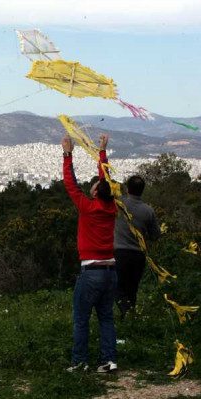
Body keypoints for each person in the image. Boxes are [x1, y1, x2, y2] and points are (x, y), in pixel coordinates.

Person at [62, 134, 118, 374]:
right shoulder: (111, 208)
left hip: (92, 271)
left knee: (81, 318)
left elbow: (70, 184)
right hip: (110, 271)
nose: (94, 184)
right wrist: (102, 151)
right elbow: (106, 179)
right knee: (106, 317)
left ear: (96, 193)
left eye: (95, 184)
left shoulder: (88, 207)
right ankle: (109, 360)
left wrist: (67, 154)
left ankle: (80, 361)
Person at [114, 175, 161, 320]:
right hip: (138, 255)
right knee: (132, 289)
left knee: (118, 288)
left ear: (127, 188)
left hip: (120, 253)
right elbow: (156, 235)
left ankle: (126, 314)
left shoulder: (119, 203)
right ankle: (129, 318)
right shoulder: (148, 211)